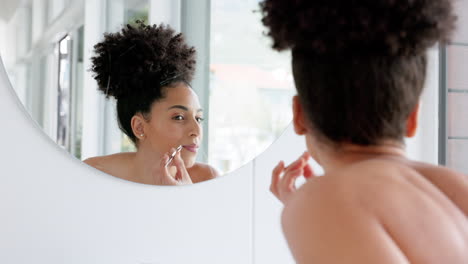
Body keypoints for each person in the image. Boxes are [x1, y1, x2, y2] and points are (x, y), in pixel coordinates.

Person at [260, 0, 468, 263]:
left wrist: (317, 207)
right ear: (412, 117)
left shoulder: (324, 202)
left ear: (299, 116)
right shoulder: (458, 188)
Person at [84, 21, 219, 185]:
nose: (196, 131)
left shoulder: (208, 180)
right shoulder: (93, 174)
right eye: (178, 117)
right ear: (139, 127)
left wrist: (186, 198)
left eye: (198, 118)